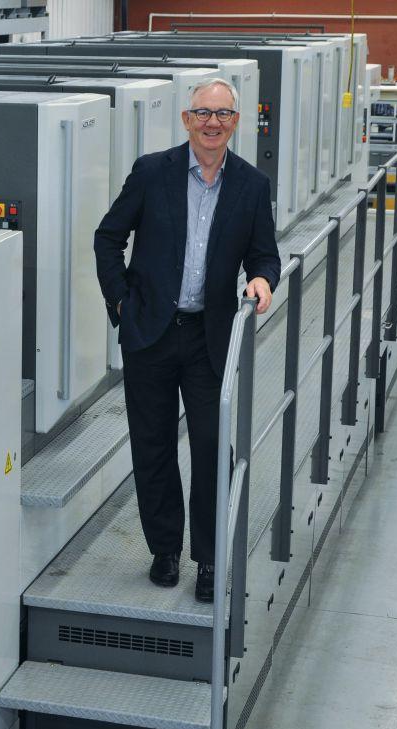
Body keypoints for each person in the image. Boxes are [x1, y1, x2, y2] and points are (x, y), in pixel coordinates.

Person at [93, 78, 281, 602]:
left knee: (211, 448)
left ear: (236, 122)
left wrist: (263, 279)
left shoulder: (251, 186)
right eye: (203, 113)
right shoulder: (153, 172)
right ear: (186, 119)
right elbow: (108, 238)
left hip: (208, 337)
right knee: (152, 445)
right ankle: (165, 551)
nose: (212, 123)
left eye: (223, 114)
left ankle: (209, 557)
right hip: (150, 333)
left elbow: (264, 254)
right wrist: (121, 302)